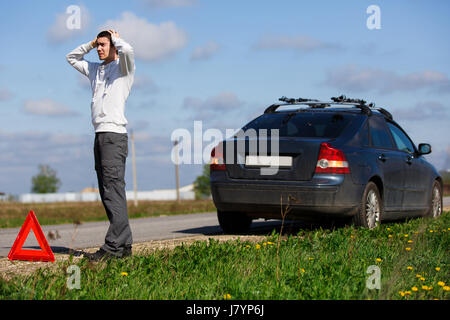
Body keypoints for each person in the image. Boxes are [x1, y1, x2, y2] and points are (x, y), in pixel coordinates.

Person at [66, 30, 135, 261]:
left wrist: (117, 40)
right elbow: (71, 58)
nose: (100, 48)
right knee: (109, 192)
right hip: (99, 135)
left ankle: (113, 247)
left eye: (104, 44)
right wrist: (90, 43)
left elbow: (129, 51)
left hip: (114, 136)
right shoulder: (95, 70)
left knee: (112, 190)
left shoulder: (123, 69)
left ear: (114, 46)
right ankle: (124, 246)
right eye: (98, 45)